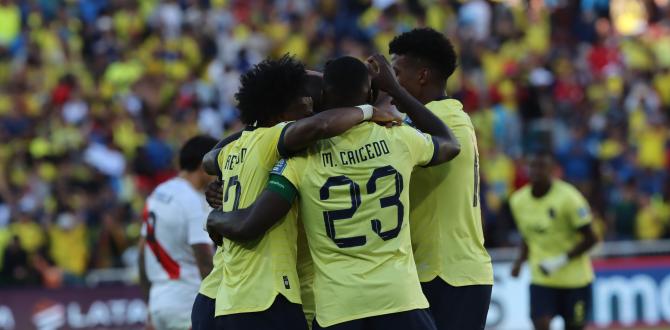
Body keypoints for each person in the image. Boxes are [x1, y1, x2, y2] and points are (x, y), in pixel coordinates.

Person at [206, 54, 461, 330]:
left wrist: (216, 215)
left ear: (323, 97)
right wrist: (396, 92)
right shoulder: (400, 137)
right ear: (371, 93)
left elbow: (250, 220)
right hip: (399, 298)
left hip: (338, 308)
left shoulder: (300, 159)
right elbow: (449, 143)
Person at [388, 27, 494, 330]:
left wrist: (390, 93)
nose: (391, 81)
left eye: (396, 72)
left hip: (450, 272)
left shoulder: (448, 118)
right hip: (431, 269)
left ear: (422, 76)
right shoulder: (429, 119)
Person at [509, 151, 598, 330]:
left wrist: (559, 261)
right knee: (540, 324)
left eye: (542, 166)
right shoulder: (518, 201)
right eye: (533, 166)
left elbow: (591, 238)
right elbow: (528, 236)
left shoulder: (570, 198)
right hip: (542, 278)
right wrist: (519, 262)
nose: (536, 171)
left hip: (575, 280)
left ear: (552, 170)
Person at [137, 135, 218, 330]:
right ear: (203, 164)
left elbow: (142, 253)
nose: (220, 173)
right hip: (186, 303)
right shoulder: (194, 201)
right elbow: (205, 261)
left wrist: (150, 303)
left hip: (158, 303)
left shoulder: (158, 193)